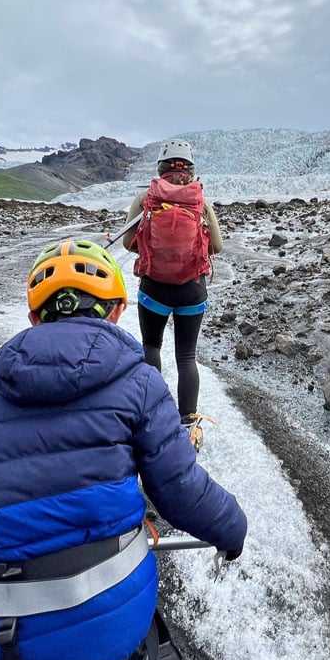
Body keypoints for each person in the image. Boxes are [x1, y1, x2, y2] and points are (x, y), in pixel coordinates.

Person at [0, 238, 247, 660]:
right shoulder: (140, 384)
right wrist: (232, 529)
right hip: (105, 630)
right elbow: (181, 493)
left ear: (35, 318)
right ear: (117, 310)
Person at [122, 139, 223, 450]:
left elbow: (128, 243)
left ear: (161, 167)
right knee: (186, 357)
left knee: (152, 348)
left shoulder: (145, 198)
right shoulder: (200, 201)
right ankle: (188, 425)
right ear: (190, 169)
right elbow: (217, 247)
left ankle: (152, 416)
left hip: (153, 289)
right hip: (192, 291)